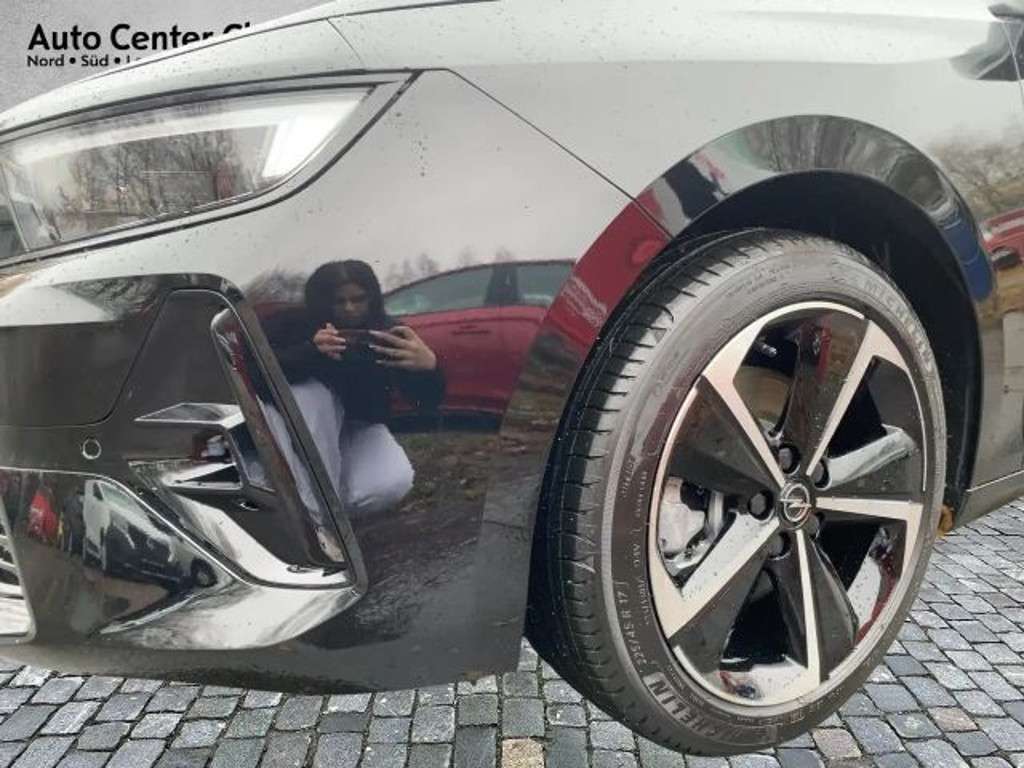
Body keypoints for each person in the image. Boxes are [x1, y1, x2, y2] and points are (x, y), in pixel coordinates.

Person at [263, 260, 444, 516]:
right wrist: (310, 352)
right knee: (312, 395)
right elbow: (257, 376)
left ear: (372, 298)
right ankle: (314, 512)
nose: (350, 308)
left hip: (358, 427)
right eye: (339, 301)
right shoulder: (291, 325)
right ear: (322, 301)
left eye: (358, 299)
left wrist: (428, 367)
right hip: (295, 429)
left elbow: (424, 402)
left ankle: (326, 510)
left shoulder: (387, 332)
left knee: (392, 482)